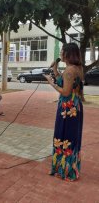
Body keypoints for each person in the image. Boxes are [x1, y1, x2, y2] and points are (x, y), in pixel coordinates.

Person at [43, 43, 84, 181]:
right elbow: (66, 82)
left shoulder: (69, 71)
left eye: (62, 52)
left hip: (67, 108)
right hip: (75, 106)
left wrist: (51, 83)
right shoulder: (77, 68)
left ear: (68, 54)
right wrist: (55, 69)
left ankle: (64, 171)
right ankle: (68, 169)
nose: (60, 54)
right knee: (71, 137)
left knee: (63, 136)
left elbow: (65, 91)